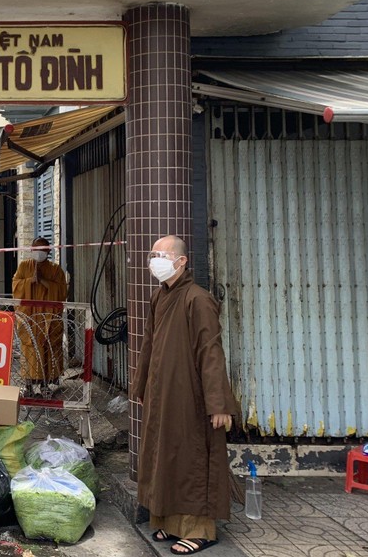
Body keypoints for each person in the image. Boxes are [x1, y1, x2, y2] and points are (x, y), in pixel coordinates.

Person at [132, 235, 237, 556]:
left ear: (181, 261)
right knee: (165, 456)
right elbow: (149, 343)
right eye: (152, 254)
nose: (154, 260)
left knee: (191, 457)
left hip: (191, 396)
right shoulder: (158, 297)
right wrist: (140, 386)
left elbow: (211, 352)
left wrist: (218, 403)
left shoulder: (198, 299)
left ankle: (199, 530)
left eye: (161, 255)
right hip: (162, 394)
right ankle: (167, 520)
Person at [11, 237, 68, 396]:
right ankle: (28, 385)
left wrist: (43, 282)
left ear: (49, 251)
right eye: (36, 250)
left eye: (43, 250)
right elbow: (15, 287)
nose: (39, 253)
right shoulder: (24, 267)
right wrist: (30, 281)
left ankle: (46, 384)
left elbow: (62, 292)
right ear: (31, 250)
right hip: (30, 317)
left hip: (48, 319)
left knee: (48, 347)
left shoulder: (56, 270)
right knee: (29, 348)